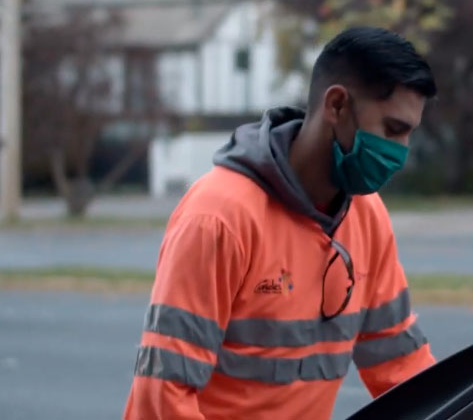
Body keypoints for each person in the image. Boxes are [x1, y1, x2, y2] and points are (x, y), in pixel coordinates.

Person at [123, 26, 437, 419]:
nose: (400, 152)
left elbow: (403, 368)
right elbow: (163, 400)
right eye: (392, 130)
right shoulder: (219, 217)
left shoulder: (367, 216)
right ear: (336, 105)